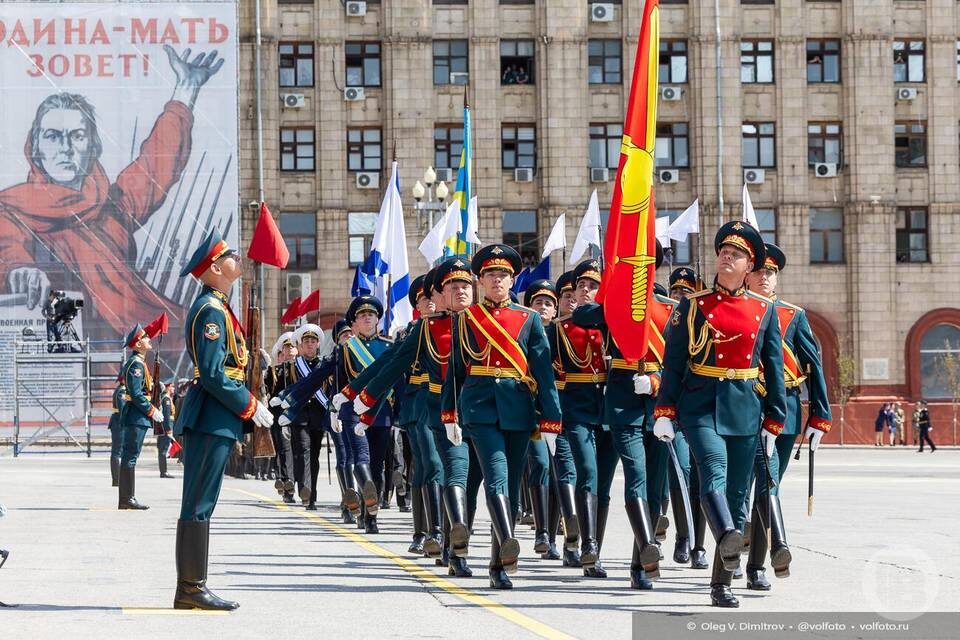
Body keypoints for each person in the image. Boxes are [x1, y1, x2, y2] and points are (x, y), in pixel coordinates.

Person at [0, 47, 224, 337]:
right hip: (62, 356)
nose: (65, 147)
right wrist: (19, 270)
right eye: (53, 136)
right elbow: (7, 246)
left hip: (135, 347)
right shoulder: (13, 210)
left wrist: (187, 88)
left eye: (77, 136)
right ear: (36, 149)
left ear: (92, 146)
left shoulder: (112, 207)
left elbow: (157, 163)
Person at [654, 221, 786, 608]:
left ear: (749, 267)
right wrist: (665, 409)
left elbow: (774, 367)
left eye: (737, 254)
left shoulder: (764, 309)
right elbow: (674, 361)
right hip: (700, 404)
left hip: (744, 407)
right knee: (713, 471)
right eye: (724, 251)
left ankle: (721, 583)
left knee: (738, 493)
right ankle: (728, 533)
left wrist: (775, 418)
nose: (727, 256)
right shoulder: (693, 305)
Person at [442, 244, 562, 589]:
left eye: (503, 275)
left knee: (510, 486)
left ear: (513, 280)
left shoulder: (529, 319)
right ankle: (509, 538)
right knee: (496, 474)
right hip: (479, 407)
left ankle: (498, 564)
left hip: (518, 407)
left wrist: (551, 419)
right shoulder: (467, 319)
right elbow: (455, 371)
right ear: (481, 281)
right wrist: (449, 414)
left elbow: (543, 373)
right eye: (491, 275)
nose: (497, 280)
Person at [172, 229, 274, 610]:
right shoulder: (211, 311)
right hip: (211, 415)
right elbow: (214, 374)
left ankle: (192, 585)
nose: (237, 258)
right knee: (198, 502)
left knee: (203, 501)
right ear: (215, 267)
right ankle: (190, 588)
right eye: (229, 255)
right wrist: (249, 404)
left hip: (217, 416)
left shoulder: (219, 306)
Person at [571, 252, 666, 589]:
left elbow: (681, 361)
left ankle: (639, 565)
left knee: (657, 485)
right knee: (636, 475)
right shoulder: (614, 307)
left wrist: (655, 381)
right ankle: (648, 545)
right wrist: (614, 296)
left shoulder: (670, 310)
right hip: (623, 405)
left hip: (659, 408)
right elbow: (581, 315)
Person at [743, 243, 831, 591]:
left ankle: (755, 566)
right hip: (747, 407)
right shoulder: (737, 311)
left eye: (771, 272)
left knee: (769, 485)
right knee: (755, 484)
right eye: (759, 271)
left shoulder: (793, 316)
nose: (764, 277)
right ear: (747, 274)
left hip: (787, 410)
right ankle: (765, 550)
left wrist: (820, 416)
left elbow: (813, 366)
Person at [332, 295, 396, 534]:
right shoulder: (346, 349)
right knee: (361, 456)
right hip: (353, 411)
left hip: (381, 410)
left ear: (378, 319)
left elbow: (397, 380)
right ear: (354, 322)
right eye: (362, 315)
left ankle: (370, 514)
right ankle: (367, 497)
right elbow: (337, 380)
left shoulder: (389, 346)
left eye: (371, 314)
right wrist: (333, 408)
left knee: (377, 464)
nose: (367, 318)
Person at [523, 279, 559, 558]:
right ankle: (542, 531)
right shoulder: (523, 332)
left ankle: (554, 533)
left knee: (559, 472)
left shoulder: (562, 333)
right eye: (538, 302)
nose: (543, 307)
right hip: (532, 411)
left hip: (560, 410)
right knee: (541, 465)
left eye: (548, 303)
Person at [549, 270, 582, 567]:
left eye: (576, 295)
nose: (572, 300)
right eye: (567, 296)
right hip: (560, 410)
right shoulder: (553, 331)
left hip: (591, 411)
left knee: (587, 475)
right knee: (566, 471)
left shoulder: (599, 328)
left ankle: (581, 532)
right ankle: (572, 534)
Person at [118, 324, 165, 510]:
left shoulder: (139, 362)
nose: (148, 339)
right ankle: (127, 498)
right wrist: (152, 411)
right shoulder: (136, 364)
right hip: (136, 416)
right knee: (130, 456)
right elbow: (137, 394)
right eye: (145, 337)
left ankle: (127, 498)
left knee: (131, 456)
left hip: (137, 415)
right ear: (138, 344)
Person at [289, 324, 327, 510]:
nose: (310, 344)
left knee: (314, 455)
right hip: (300, 415)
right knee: (303, 450)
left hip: (318, 415)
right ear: (301, 345)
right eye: (306, 341)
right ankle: (305, 490)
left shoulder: (323, 365)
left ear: (318, 344)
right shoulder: (294, 366)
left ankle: (312, 495)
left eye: (313, 341)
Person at [108, 378, 126, 487]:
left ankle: (118, 479)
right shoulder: (122, 391)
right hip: (119, 424)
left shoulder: (120, 389)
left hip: (118, 423)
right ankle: (117, 479)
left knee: (118, 451)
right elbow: (123, 409)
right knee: (117, 452)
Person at [158, 383, 177, 479]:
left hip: (165, 427)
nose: (174, 388)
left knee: (163, 450)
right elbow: (166, 416)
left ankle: (163, 471)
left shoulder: (166, 398)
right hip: (166, 427)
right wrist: (168, 429)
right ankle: (164, 471)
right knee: (164, 450)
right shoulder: (166, 399)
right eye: (172, 386)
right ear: (168, 387)